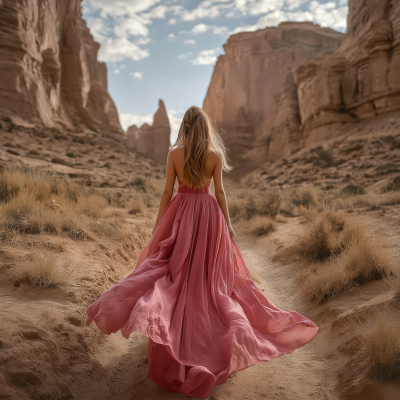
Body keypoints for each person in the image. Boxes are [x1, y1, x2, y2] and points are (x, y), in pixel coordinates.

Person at [87, 106, 319, 399]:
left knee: (175, 273)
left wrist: (160, 224)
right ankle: (203, 335)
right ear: (206, 128)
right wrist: (229, 225)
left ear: (184, 126)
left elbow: (166, 193)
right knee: (208, 278)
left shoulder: (174, 154)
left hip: (181, 214)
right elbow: (219, 192)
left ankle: (173, 333)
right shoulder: (215, 156)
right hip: (209, 216)